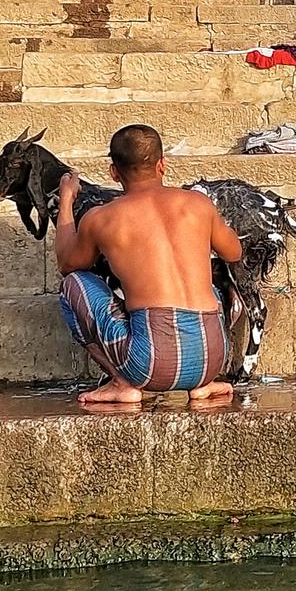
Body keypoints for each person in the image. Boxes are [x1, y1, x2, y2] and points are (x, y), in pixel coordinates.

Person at [53, 123, 243, 407]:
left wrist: (66, 199)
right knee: (208, 280)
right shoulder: (198, 203)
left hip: (151, 366)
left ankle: (121, 383)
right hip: (213, 358)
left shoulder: (101, 218)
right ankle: (202, 384)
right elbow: (234, 252)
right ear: (162, 165)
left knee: (73, 285)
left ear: (114, 172)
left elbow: (67, 263)